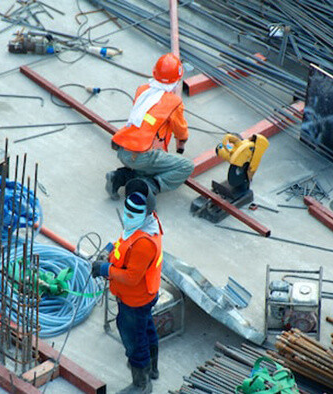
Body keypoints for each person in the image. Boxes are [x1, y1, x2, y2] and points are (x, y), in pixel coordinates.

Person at [92, 179, 163, 394]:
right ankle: (152, 369)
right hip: (145, 296)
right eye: (127, 212)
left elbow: (132, 277)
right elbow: (125, 246)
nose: (127, 217)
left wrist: (105, 269)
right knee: (146, 328)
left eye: (133, 215)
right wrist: (110, 250)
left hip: (134, 299)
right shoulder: (145, 225)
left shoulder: (144, 243)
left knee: (134, 339)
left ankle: (141, 383)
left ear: (146, 213)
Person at [106, 53, 194, 200]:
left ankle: (119, 177)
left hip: (122, 148)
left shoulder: (143, 89)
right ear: (177, 80)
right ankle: (148, 186)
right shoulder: (174, 102)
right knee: (186, 166)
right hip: (141, 155)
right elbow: (180, 130)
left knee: (151, 163)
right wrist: (181, 142)